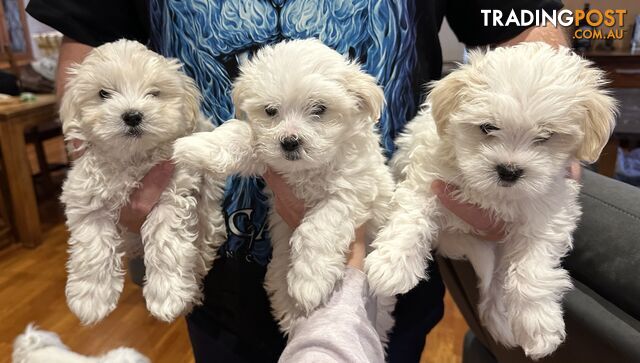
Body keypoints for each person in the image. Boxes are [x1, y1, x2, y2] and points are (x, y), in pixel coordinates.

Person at [27, 1, 569, 362]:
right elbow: (87, 39)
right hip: (213, 263)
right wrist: (104, 169)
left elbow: (528, 15)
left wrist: (543, 127)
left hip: (387, 256)